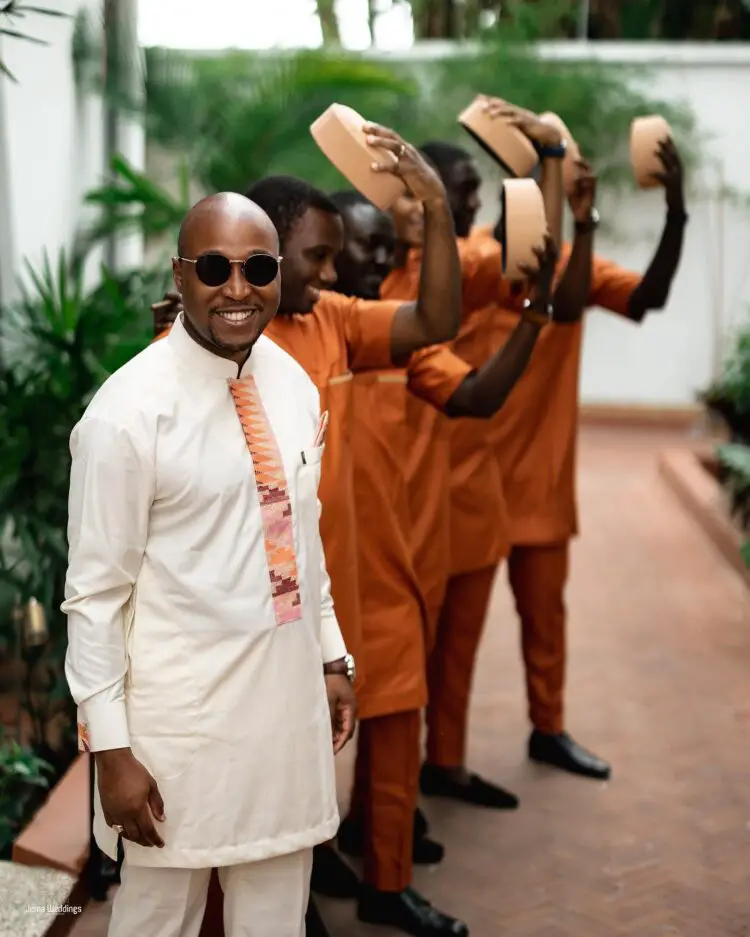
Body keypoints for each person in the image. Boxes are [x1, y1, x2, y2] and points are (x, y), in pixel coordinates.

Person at [151, 122, 465, 937]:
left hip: (333, 586)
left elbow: (432, 319)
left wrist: (432, 204)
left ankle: (344, 887)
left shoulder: (330, 321)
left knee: (328, 756)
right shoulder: (196, 345)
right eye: (314, 258)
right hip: (235, 621)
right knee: (234, 794)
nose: (329, 275)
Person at [63, 192, 357, 937]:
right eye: (215, 267)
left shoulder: (292, 383)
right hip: (176, 735)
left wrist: (331, 657)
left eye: (257, 266)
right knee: (156, 921)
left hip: (284, 723)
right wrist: (112, 753)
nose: (237, 287)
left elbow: (303, 536)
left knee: (274, 921)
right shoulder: (127, 413)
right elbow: (94, 597)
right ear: (181, 274)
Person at [328, 188, 557, 937]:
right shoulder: (286, 338)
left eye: (383, 249)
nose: (374, 261)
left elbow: (477, 395)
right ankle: (302, 877)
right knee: (289, 747)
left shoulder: (403, 338)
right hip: (308, 585)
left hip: (389, 573)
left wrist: (536, 316)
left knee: (396, 729)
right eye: (356, 248)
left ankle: (386, 884)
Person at [439, 125, 686, 785]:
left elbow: (646, 296)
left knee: (546, 620)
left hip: (539, 482)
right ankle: (444, 761)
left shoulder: (574, 262)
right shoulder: (470, 263)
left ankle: (548, 728)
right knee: (455, 638)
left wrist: (675, 207)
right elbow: (553, 284)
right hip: (468, 480)